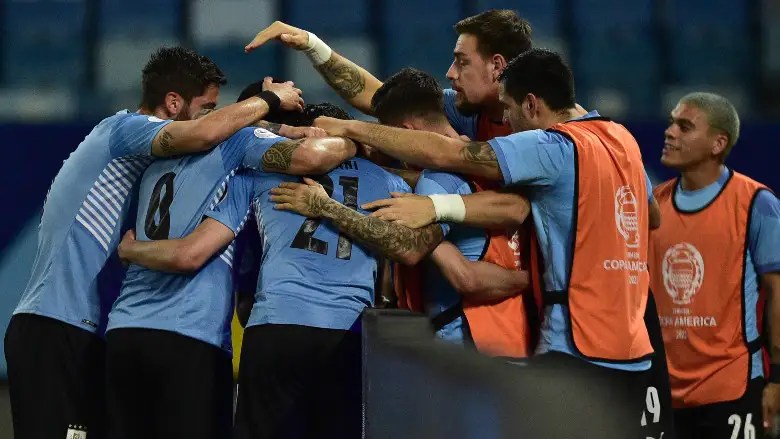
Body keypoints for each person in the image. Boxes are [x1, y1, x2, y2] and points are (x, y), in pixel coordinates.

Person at [303, 48, 662, 437]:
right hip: (633, 351)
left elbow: (453, 155)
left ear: (531, 103)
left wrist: (354, 131)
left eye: (508, 108)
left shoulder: (552, 147)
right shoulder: (620, 139)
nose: (505, 120)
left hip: (576, 345)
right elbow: (651, 215)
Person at [2, 46, 304, 439]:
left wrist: (282, 128)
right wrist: (269, 100)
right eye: (207, 105)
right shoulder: (124, 130)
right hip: (56, 325)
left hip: (72, 324)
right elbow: (204, 134)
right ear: (173, 102)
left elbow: (214, 137)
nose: (211, 114)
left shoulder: (136, 149)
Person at [104, 82, 355, 439]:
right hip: (196, 335)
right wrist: (353, 140)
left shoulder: (157, 162)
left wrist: (130, 251)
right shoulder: (247, 164)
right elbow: (310, 157)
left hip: (127, 331)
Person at [274, 67, 533, 357]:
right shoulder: (489, 166)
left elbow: (421, 254)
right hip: (513, 336)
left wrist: (324, 206)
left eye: (386, 135)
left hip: (466, 344)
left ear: (405, 132)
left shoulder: (437, 181)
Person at [648, 92, 780, 438]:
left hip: (731, 388)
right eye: (671, 122)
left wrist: (777, 380)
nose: (669, 132)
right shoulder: (655, 205)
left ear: (718, 143)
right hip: (664, 392)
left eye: (684, 126)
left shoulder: (756, 203)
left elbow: (777, 295)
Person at [245, 9, 531, 142]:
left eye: (462, 62)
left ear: (497, 66)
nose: (450, 72)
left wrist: (348, 129)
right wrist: (312, 44)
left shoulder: (545, 130)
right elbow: (384, 99)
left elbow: (509, 205)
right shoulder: (469, 110)